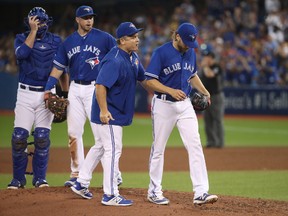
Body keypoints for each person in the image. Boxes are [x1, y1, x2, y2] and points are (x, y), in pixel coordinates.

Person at [44, 5, 123, 187]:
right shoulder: (68, 42)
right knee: (73, 133)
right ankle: (77, 173)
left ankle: (115, 174)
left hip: (95, 89)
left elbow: (119, 55)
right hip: (74, 89)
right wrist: (49, 89)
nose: (89, 20)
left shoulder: (104, 38)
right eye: (85, 17)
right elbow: (58, 68)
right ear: (77, 20)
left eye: (91, 17)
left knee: (101, 134)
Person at [71, 22, 146, 206]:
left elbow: (144, 78)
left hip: (110, 112)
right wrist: (104, 111)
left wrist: (165, 90)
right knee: (113, 150)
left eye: (137, 35)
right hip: (109, 114)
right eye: (133, 36)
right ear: (122, 40)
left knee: (100, 146)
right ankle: (110, 194)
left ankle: (81, 182)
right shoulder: (114, 59)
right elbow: (100, 86)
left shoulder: (132, 57)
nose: (137, 39)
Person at [144, 23, 218, 205]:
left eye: (191, 43)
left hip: (185, 105)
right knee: (158, 149)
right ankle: (154, 191)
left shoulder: (190, 51)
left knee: (195, 145)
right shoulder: (161, 53)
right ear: (176, 36)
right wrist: (170, 90)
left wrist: (205, 91)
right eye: (186, 42)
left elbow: (192, 75)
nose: (188, 46)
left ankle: (201, 192)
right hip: (163, 104)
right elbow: (149, 80)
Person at [7, 7, 62, 189]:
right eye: (37, 21)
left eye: (42, 21)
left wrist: (65, 93)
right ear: (30, 22)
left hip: (47, 93)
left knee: (41, 137)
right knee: (19, 137)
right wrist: (33, 31)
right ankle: (18, 179)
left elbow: (63, 68)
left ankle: (40, 179)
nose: (40, 25)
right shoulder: (21, 38)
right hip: (25, 93)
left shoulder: (56, 41)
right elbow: (21, 54)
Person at [200, 50, 225, 148]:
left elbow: (210, 75)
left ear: (211, 58)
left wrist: (205, 66)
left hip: (216, 97)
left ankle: (220, 143)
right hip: (206, 98)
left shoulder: (217, 67)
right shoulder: (205, 69)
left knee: (217, 120)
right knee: (207, 121)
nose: (204, 59)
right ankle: (211, 142)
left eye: (206, 57)